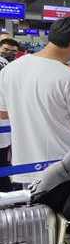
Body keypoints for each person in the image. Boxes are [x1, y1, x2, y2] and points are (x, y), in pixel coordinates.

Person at [0, 18, 70, 185]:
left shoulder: (10, 69)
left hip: (24, 165)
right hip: (63, 168)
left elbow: (3, 113)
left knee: (31, 210)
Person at [0, 38, 19, 192]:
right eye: (6, 50)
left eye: (13, 51)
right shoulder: (6, 65)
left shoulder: (13, 66)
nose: (8, 54)